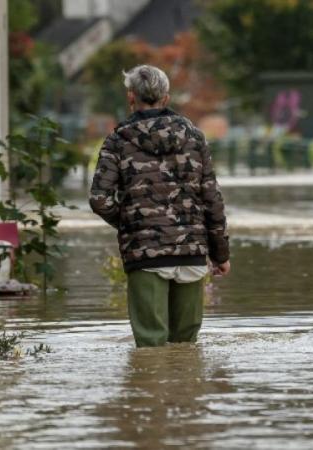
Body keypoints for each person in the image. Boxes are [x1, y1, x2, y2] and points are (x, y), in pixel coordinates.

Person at [90, 65, 230, 346]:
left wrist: (134, 223)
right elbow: (212, 199)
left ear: (131, 97)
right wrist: (221, 254)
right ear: (166, 98)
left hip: (146, 256)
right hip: (191, 252)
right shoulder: (194, 137)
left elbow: (100, 199)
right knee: (186, 348)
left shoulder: (117, 142)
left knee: (150, 347)